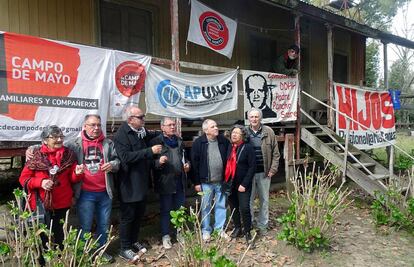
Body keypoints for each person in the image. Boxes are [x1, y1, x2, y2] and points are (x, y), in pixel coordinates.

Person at [25, 115, 120, 262]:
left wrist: (112, 165)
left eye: (98, 125)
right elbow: (47, 148)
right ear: (84, 126)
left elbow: (116, 161)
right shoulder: (73, 145)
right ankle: (79, 253)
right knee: (81, 226)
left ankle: (98, 253)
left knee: (102, 225)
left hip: (97, 194)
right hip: (74, 196)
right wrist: (32, 148)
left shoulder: (105, 144)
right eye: (92, 125)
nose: (96, 128)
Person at [19, 125, 84, 250]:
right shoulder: (36, 156)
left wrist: (77, 173)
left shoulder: (69, 154)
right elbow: (23, 179)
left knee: (60, 234)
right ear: (45, 140)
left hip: (62, 202)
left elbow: (72, 179)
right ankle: (43, 261)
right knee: (43, 235)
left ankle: (60, 259)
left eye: (61, 136)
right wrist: (41, 182)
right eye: (54, 137)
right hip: (41, 204)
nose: (59, 140)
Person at [113, 106, 162, 263]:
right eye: (140, 117)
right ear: (130, 120)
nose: (143, 119)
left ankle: (133, 241)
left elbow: (152, 137)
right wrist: (150, 151)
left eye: (143, 116)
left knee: (138, 215)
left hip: (141, 182)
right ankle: (124, 247)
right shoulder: (122, 135)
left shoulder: (140, 132)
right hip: (129, 184)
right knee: (128, 217)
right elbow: (126, 157)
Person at [149, 117, 190, 249]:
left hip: (180, 181)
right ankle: (166, 235)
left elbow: (185, 157)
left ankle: (179, 233)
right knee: (166, 210)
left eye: (174, 125)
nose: (172, 127)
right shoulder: (156, 142)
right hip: (165, 181)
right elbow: (149, 163)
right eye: (169, 125)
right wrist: (158, 162)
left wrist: (187, 164)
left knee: (180, 209)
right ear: (162, 127)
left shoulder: (179, 141)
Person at [191, 119, 230, 241]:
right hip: (205, 182)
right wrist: (196, 182)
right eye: (213, 126)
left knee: (221, 205)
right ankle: (206, 230)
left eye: (216, 125)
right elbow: (194, 164)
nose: (216, 128)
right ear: (206, 130)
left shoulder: (223, 141)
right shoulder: (199, 143)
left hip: (220, 181)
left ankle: (219, 229)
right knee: (205, 206)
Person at [247, 108, 280, 236]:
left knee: (264, 200)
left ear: (260, 118)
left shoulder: (269, 132)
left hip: (264, 173)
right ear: (248, 118)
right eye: (252, 117)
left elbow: (276, 153)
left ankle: (263, 225)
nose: (254, 119)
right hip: (248, 174)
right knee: (249, 200)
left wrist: (273, 169)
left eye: (256, 117)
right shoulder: (244, 132)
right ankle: (249, 224)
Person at [224, 125, 256, 246]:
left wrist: (244, 184)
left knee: (244, 208)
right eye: (233, 132)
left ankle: (247, 232)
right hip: (231, 183)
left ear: (243, 135)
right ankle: (238, 228)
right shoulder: (229, 147)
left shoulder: (248, 148)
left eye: (237, 133)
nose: (234, 134)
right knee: (234, 207)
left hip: (243, 184)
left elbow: (252, 167)